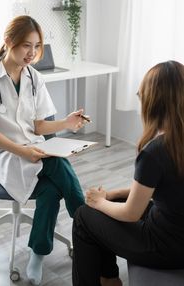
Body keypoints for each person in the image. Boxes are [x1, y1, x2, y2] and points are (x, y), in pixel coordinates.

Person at [0, 15, 86, 285]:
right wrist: (23, 152)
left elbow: (39, 125)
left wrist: (67, 123)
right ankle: (87, 228)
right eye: (26, 46)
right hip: (0, 154)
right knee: (57, 165)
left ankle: (38, 253)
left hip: (31, 149)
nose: (32, 53)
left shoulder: (34, 77)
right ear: (9, 42)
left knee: (50, 189)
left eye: (37, 46)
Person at [72, 60, 184, 286]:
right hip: (177, 231)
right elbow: (168, 189)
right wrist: (112, 195)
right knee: (115, 201)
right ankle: (109, 279)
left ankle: (104, 279)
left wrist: (99, 202)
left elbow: (131, 214)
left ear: (152, 102)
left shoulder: (156, 152)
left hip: (165, 248)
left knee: (85, 216)